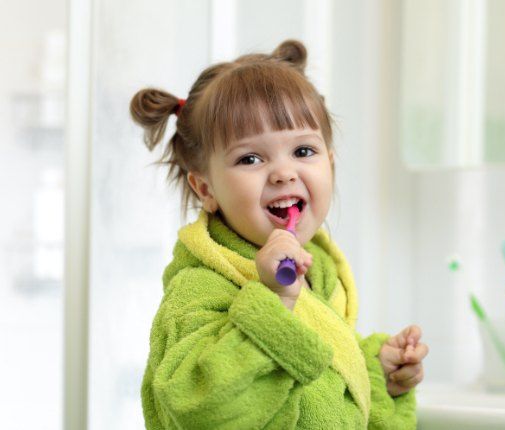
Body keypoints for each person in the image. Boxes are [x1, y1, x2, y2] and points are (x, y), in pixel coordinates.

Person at [130, 39, 428, 429]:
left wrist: (378, 372)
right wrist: (273, 301)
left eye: (303, 152)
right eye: (250, 158)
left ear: (330, 165)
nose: (284, 172)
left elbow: (325, 388)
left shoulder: (318, 271)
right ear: (206, 190)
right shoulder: (199, 288)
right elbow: (199, 408)